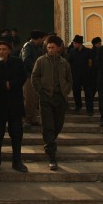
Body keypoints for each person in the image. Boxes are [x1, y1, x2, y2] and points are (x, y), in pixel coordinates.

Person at [0, 39, 28, 172]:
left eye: (4, 49)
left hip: (15, 104)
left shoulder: (17, 63)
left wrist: (12, 84)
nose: (1, 52)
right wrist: (4, 85)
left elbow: (23, 77)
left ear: (9, 50)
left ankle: (17, 161)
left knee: (16, 133)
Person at [31, 35, 73, 171]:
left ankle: (50, 142)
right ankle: (51, 154)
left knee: (58, 124)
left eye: (52, 47)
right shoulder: (41, 61)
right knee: (48, 125)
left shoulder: (64, 63)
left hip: (59, 98)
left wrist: (65, 91)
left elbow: (69, 79)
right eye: (48, 47)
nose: (50, 50)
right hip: (46, 98)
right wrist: (40, 91)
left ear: (59, 48)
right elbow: (34, 77)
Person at [21, 30, 45, 129]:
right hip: (28, 76)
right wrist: (35, 70)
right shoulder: (28, 46)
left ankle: (34, 118)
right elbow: (26, 60)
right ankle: (27, 119)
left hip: (34, 76)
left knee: (35, 99)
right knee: (29, 98)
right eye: (42, 38)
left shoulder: (37, 47)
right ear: (38, 38)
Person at [67, 35, 90, 113]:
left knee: (88, 93)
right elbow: (68, 62)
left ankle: (89, 109)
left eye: (75, 43)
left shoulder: (88, 51)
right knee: (76, 92)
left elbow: (90, 64)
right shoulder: (72, 52)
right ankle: (78, 106)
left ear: (79, 43)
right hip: (75, 75)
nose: (74, 44)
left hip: (86, 76)